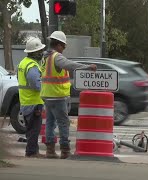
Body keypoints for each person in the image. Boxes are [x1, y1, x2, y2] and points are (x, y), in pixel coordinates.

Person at [41, 31, 97, 159]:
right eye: (64, 45)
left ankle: (50, 150)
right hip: (58, 95)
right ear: (58, 44)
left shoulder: (45, 57)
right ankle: (65, 150)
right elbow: (70, 65)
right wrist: (87, 67)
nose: (64, 48)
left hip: (47, 95)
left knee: (50, 122)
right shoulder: (57, 57)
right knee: (63, 123)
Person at [17, 37, 46, 158]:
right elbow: (36, 84)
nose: (41, 53)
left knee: (31, 129)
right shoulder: (32, 66)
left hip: (25, 101)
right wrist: (46, 89)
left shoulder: (23, 62)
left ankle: (34, 151)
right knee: (34, 129)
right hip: (34, 102)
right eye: (39, 51)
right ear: (33, 52)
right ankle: (32, 152)